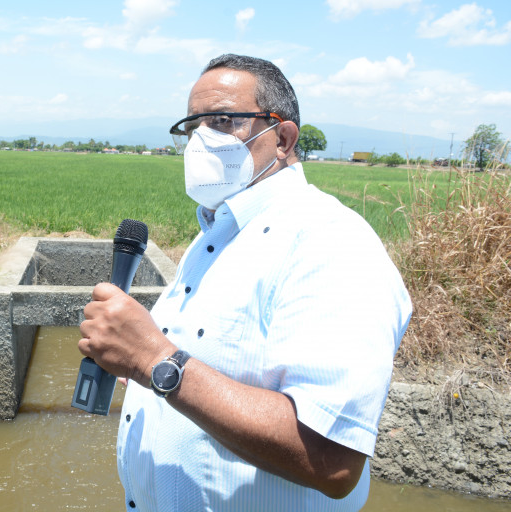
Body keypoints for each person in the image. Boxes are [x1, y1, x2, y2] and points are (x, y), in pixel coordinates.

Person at [78, 54, 412, 512]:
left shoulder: (331, 242)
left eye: (223, 120)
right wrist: (142, 369)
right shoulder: (216, 235)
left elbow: (332, 461)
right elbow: (205, 369)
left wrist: (153, 360)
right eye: (192, 126)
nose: (201, 140)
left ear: (283, 139)